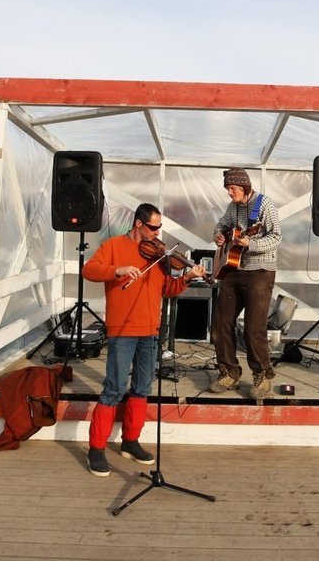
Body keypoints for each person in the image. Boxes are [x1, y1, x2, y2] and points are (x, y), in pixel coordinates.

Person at [82, 203, 204, 477]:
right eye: (152, 227)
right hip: (122, 330)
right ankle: (96, 448)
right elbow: (89, 270)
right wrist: (118, 270)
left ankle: (130, 441)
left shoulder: (158, 256)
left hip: (150, 330)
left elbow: (168, 289)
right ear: (138, 223)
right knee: (114, 387)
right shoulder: (114, 246)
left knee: (142, 387)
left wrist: (186, 277)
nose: (157, 233)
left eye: (160, 227)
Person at [209, 168, 282, 400]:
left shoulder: (265, 205)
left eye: (233, 189)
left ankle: (261, 376)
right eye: (228, 189)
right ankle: (229, 372)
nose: (229, 193)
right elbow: (221, 225)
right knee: (220, 323)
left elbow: (276, 237)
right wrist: (219, 234)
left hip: (260, 271)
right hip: (233, 268)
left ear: (245, 188)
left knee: (254, 327)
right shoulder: (233, 207)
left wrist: (251, 243)